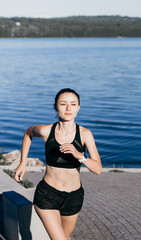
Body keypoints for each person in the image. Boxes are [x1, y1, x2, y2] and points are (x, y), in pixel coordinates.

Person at [14, 88, 102, 240]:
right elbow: (28, 133)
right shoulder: (46, 131)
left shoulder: (85, 134)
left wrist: (79, 155)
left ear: (78, 107)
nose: (68, 108)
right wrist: (23, 163)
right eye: (63, 104)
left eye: (73, 104)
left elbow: (98, 169)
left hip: (74, 197)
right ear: (56, 107)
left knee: (65, 237)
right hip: (48, 195)